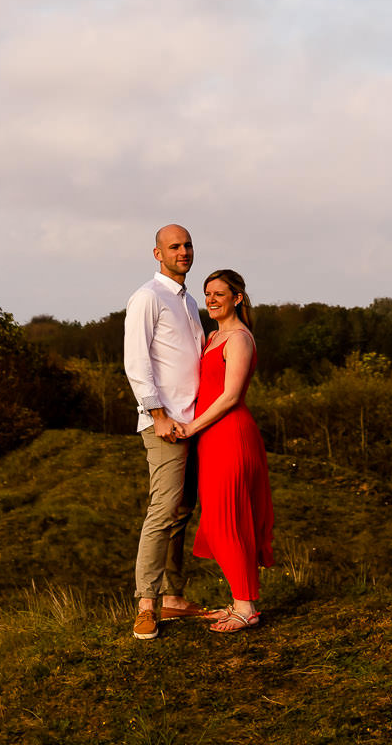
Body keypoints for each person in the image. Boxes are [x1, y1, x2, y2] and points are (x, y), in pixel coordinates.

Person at [123, 224, 208, 639]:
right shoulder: (147, 298)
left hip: (194, 422)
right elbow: (136, 362)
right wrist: (157, 414)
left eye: (188, 245)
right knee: (162, 511)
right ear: (157, 254)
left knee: (183, 512)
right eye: (174, 246)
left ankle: (174, 598)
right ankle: (146, 604)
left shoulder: (190, 301)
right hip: (164, 423)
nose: (183, 251)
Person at [181, 267, 275, 633]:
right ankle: (241, 600)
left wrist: (191, 426)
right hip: (212, 438)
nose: (211, 300)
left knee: (230, 522)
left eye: (219, 293)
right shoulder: (213, 336)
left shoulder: (238, 338)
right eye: (207, 295)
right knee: (220, 522)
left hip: (232, 436)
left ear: (237, 297)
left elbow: (231, 396)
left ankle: (247, 609)